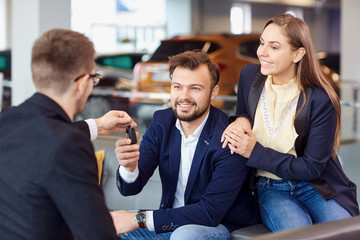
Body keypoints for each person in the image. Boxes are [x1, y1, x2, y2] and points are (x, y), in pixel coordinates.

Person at [221, 13, 359, 232]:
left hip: (313, 185)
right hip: (270, 187)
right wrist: (241, 120)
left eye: (274, 47)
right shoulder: (249, 76)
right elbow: (244, 110)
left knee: (344, 231)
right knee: (298, 233)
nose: (262, 53)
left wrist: (254, 152)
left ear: (298, 54)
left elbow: (312, 168)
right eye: (262, 43)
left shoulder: (320, 99)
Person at [0, 29, 136, 239]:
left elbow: (44, 136)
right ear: (82, 84)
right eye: (94, 78)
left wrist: (98, 125)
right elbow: (97, 234)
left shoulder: (8, 119)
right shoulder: (69, 144)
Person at [111, 50, 258, 239]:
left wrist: (138, 218)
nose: (184, 96)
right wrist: (129, 167)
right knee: (100, 228)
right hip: (170, 222)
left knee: (184, 236)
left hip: (218, 225)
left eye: (195, 88)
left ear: (213, 92)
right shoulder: (162, 123)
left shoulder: (229, 138)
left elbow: (209, 212)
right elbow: (130, 188)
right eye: (177, 87)